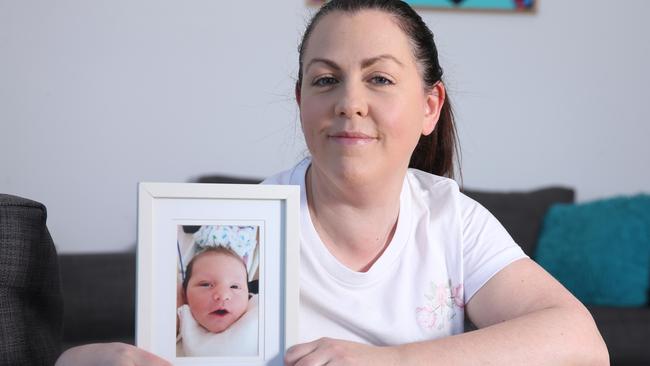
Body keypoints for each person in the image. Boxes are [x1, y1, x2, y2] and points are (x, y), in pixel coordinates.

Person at [55, 0, 609, 365]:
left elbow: (581, 342)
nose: (349, 103)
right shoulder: (242, 226)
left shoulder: (451, 220)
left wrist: (390, 360)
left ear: (429, 106)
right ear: (301, 102)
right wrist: (94, 358)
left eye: (380, 78)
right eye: (325, 79)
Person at [176, 246, 258, 356]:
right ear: (185, 293)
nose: (223, 295)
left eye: (234, 286)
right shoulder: (182, 320)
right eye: (205, 284)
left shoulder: (259, 311)